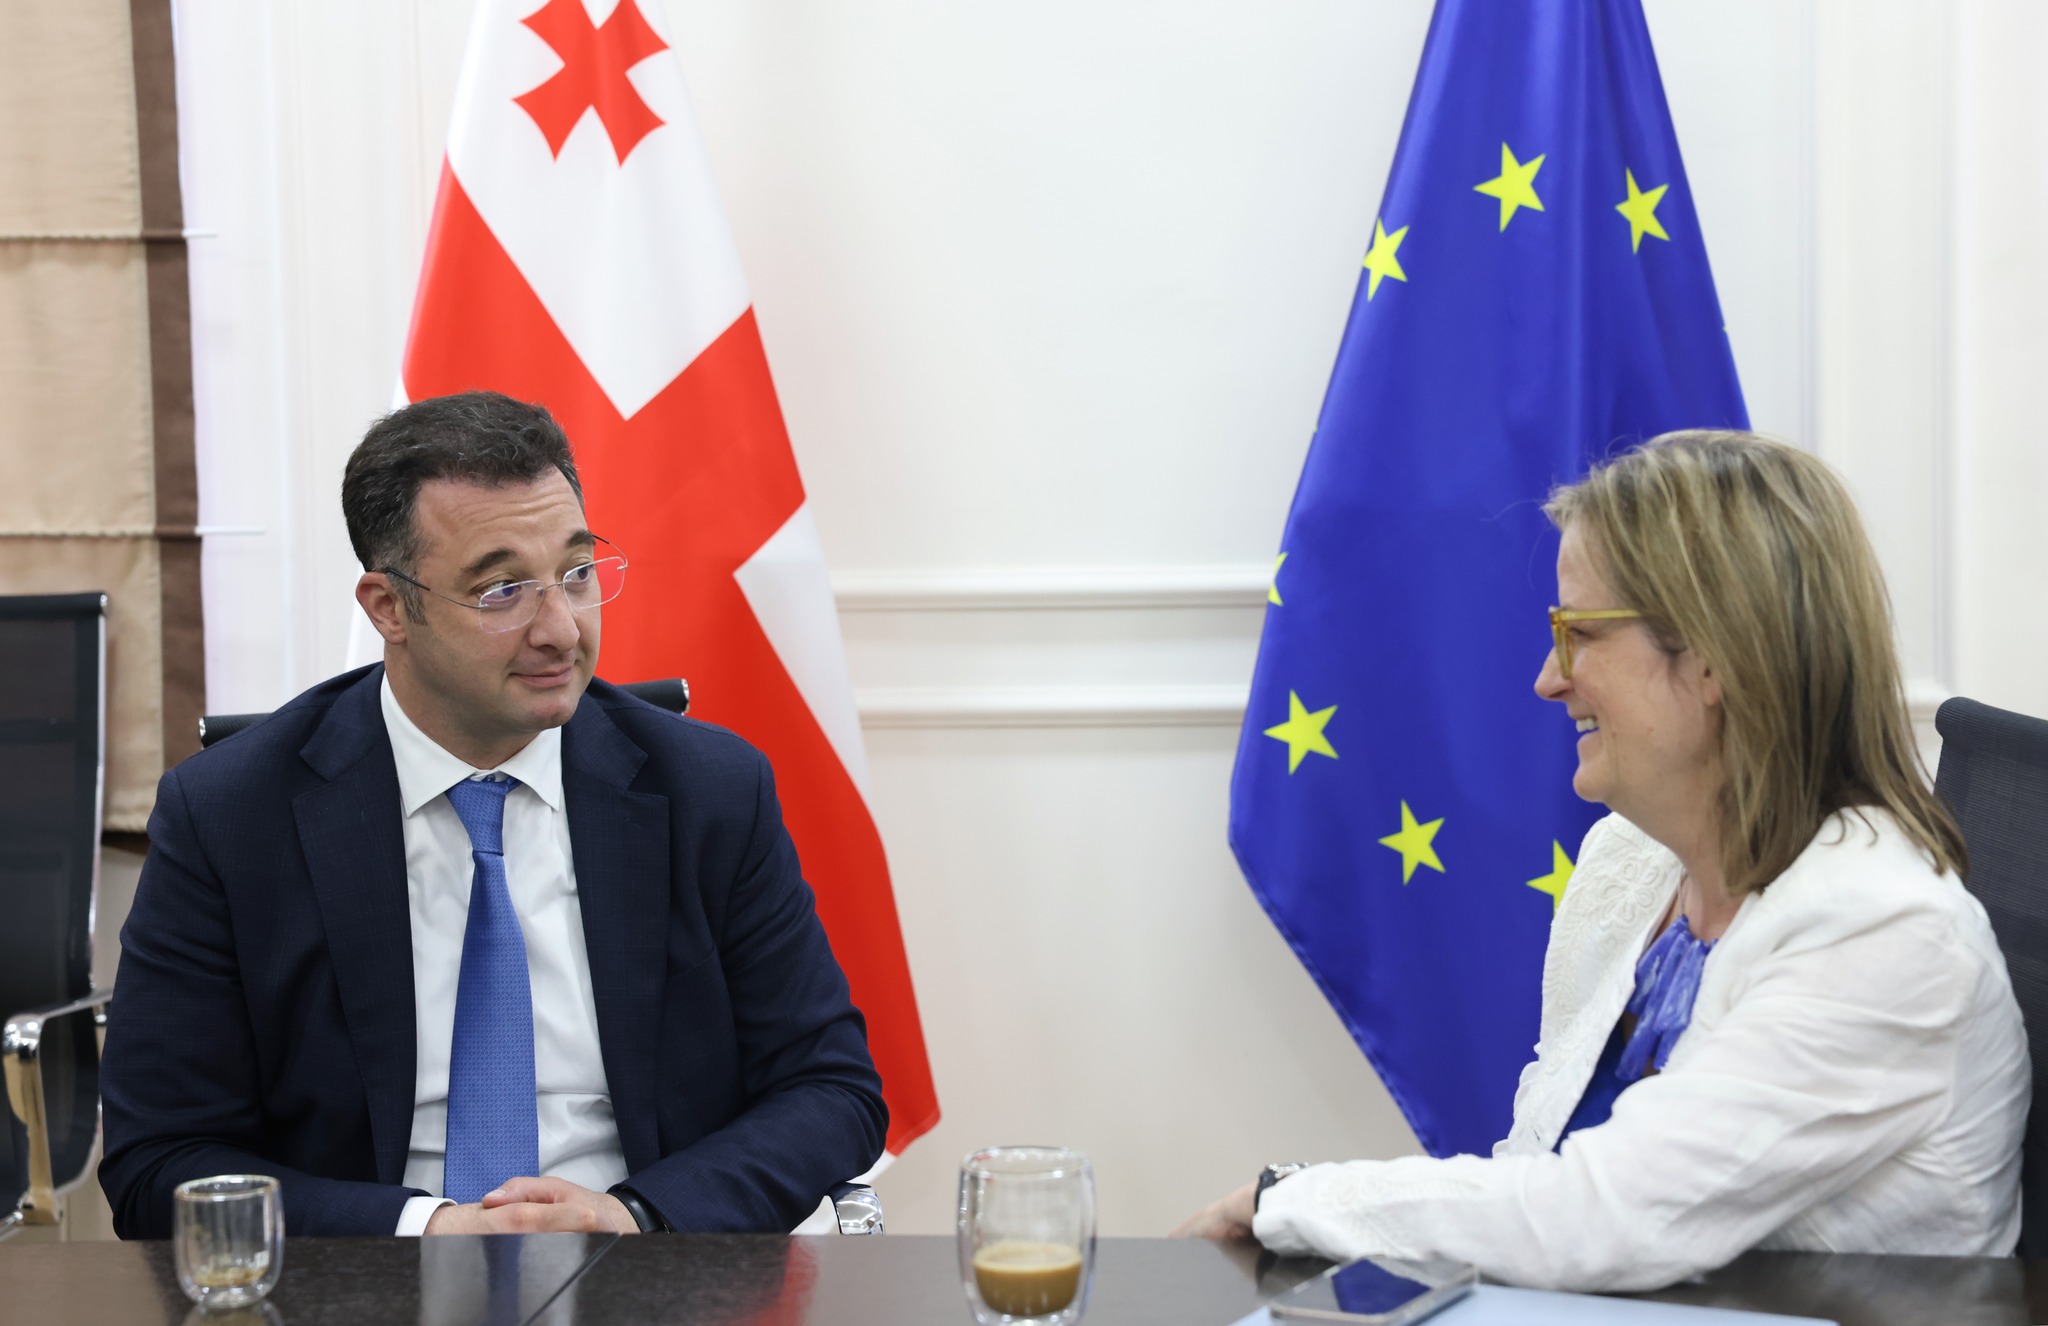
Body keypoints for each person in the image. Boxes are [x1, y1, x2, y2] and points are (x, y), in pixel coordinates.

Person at [1174, 430, 2028, 1291]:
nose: (1549, 678)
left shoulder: (1884, 932)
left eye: (1578, 631)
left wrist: (1294, 1199)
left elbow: (1605, 1217)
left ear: (1713, 658)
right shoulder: (1634, 862)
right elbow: (1534, 1164)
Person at [100, 391, 886, 1238]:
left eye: (577, 574)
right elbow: (161, 1162)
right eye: (503, 589)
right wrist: (429, 1232)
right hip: (371, 1277)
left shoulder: (709, 791)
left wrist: (634, 1217)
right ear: (388, 608)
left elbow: (831, 1091)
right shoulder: (230, 818)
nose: (561, 630)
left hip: (643, 1265)